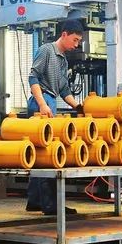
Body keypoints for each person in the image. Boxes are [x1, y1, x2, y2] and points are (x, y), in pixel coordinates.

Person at [26, 18, 85, 215]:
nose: (76, 45)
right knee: (48, 154)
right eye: (75, 40)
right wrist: (42, 104)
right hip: (41, 102)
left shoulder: (63, 60)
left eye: (79, 41)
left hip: (50, 101)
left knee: (39, 155)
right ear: (64, 34)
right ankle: (50, 204)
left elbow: (64, 90)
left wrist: (78, 106)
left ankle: (35, 201)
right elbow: (33, 77)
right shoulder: (46, 50)